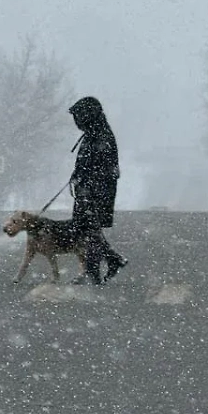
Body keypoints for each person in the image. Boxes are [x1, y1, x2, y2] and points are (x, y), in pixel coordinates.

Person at [67, 96, 128, 284]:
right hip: (89, 191)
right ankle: (111, 260)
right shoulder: (93, 133)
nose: (76, 122)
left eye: (78, 117)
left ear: (88, 116)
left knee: (89, 231)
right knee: (87, 230)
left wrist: (86, 183)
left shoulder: (101, 135)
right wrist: (77, 176)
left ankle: (93, 272)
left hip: (96, 192)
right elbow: (87, 163)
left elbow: (102, 168)